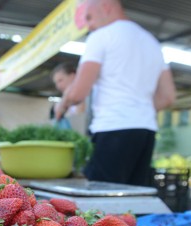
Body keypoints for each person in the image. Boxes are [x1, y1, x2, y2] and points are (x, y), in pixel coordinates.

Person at [55, 0, 176, 186]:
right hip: (146, 131)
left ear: (106, 6)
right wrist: (138, 110)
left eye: (89, 17)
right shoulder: (151, 41)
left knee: (103, 202)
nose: (88, 25)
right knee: (132, 201)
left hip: (112, 129)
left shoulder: (101, 36)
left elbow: (78, 93)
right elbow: (168, 97)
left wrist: (62, 104)